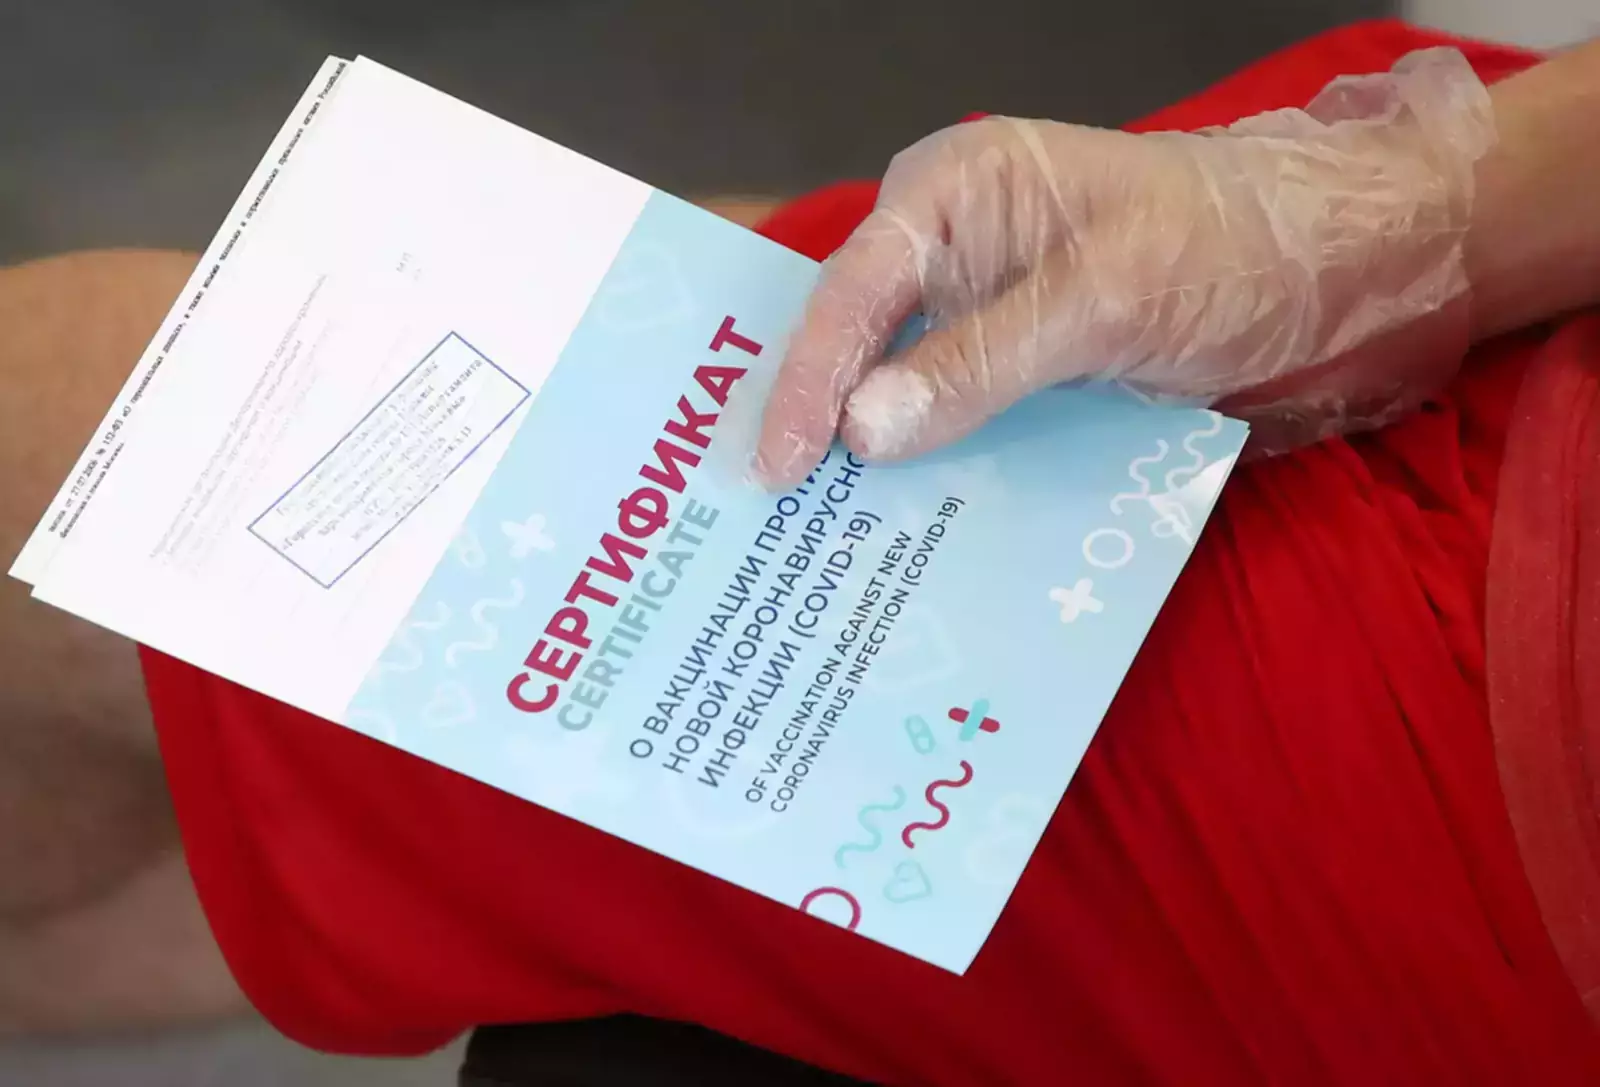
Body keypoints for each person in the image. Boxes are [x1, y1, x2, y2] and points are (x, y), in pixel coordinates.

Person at [2, 16, 1598, 1085]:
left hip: (1484, 776)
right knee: (739, 296)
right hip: (1507, 281)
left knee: (76, 441)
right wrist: (1417, 201)